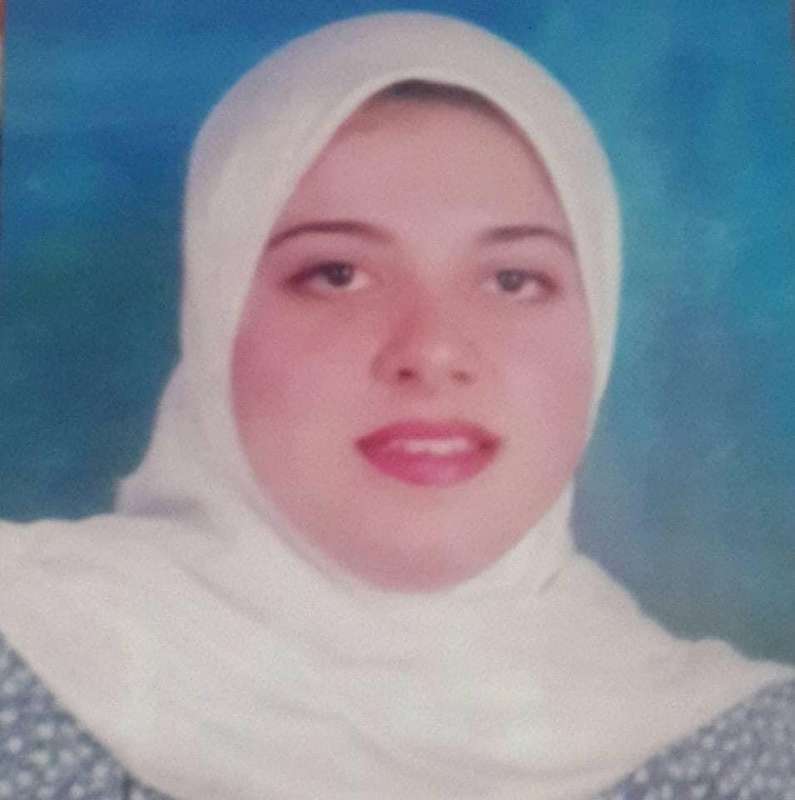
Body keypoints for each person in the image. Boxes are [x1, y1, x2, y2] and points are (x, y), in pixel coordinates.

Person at [0, 12, 793, 800]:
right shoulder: (27, 657)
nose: (432, 350)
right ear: (214, 314)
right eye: (337, 274)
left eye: (512, 280)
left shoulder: (744, 747)